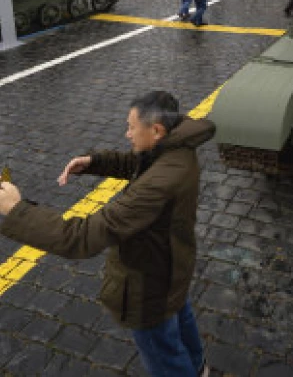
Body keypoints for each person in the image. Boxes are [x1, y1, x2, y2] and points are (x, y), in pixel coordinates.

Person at [0, 91, 215, 376]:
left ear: (156, 130)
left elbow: (79, 238)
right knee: (180, 321)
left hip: (148, 287)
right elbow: (141, 164)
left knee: (165, 358)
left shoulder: (156, 187)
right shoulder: (177, 148)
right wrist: (95, 162)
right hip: (172, 270)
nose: (127, 134)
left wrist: (16, 210)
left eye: (131, 128)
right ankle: (200, 369)